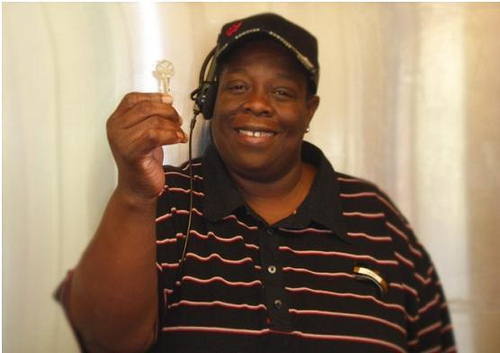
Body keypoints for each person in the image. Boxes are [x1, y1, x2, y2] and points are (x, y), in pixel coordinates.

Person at [56, 13, 456, 353]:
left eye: (281, 92)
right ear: (210, 101)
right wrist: (133, 192)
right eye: (238, 86)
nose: (258, 103)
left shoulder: (376, 216)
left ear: (308, 110)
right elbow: (105, 340)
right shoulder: (166, 200)